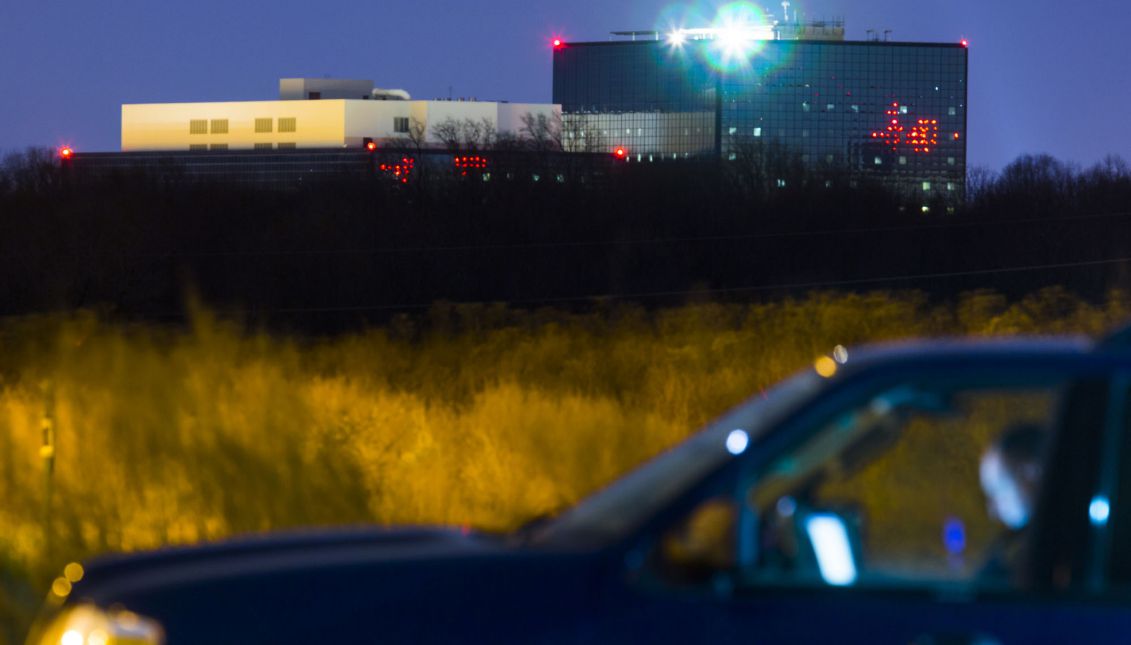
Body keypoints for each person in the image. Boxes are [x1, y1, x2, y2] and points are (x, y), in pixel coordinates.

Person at [977, 422, 1047, 581]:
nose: (992, 510)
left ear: (1032, 471)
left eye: (999, 489)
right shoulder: (1009, 550)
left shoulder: (1013, 558)